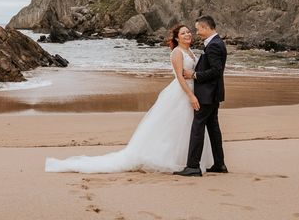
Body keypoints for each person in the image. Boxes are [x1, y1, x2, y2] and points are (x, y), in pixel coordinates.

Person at [45, 24, 213, 174]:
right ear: (177, 38)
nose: (188, 35)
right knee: (175, 126)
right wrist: (190, 95)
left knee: (187, 126)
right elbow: (180, 77)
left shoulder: (189, 51)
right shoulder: (177, 52)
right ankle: (172, 160)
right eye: (183, 33)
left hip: (191, 91)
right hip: (181, 92)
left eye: (188, 32)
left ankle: (187, 160)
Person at [174, 15, 228, 176]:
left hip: (207, 94)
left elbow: (216, 71)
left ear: (205, 28)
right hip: (213, 93)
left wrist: (195, 75)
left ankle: (193, 166)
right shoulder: (215, 43)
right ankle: (219, 164)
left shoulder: (214, 45)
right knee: (213, 128)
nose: (197, 32)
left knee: (198, 127)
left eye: (198, 29)